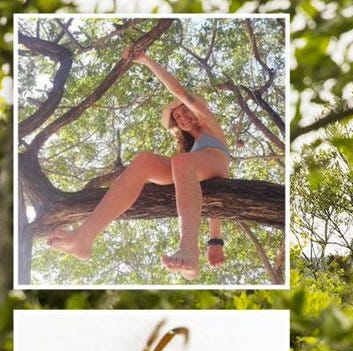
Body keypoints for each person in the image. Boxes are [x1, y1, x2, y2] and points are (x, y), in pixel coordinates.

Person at [48, 45, 231, 280]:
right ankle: (84, 237)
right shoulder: (188, 153)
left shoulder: (208, 122)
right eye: (177, 117)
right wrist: (215, 241)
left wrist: (146, 60)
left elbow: (180, 92)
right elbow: (211, 198)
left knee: (182, 162)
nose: (182, 115)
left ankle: (188, 248)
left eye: (184, 110)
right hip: (193, 167)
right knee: (144, 161)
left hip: (217, 160)